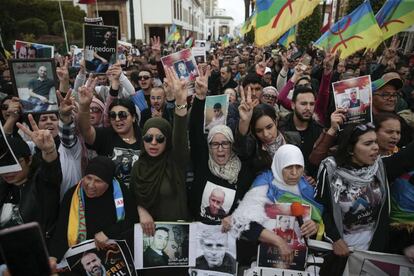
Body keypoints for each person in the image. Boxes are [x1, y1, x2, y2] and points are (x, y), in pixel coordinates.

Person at [315, 123, 414, 275]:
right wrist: (335, 239)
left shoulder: (380, 167)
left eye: (375, 141)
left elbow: (408, 155)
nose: (375, 147)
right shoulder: (330, 170)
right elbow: (321, 208)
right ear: (350, 149)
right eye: (368, 143)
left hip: (373, 253)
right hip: (341, 253)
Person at [228, 145, 323, 266]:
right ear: (279, 165)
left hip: (297, 261)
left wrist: (314, 225)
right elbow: (243, 222)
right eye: (288, 167)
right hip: (262, 257)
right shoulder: (264, 183)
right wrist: (279, 242)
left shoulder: (307, 188)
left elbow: (317, 219)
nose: (294, 173)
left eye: (299, 167)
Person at [49, 156, 138, 262]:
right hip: (83, 258)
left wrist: (108, 233)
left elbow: (133, 220)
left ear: (108, 183)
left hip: (115, 255)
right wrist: (53, 256)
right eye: (88, 178)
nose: (91, 185)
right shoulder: (72, 196)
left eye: (98, 181)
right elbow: (62, 229)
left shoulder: (120, 192)